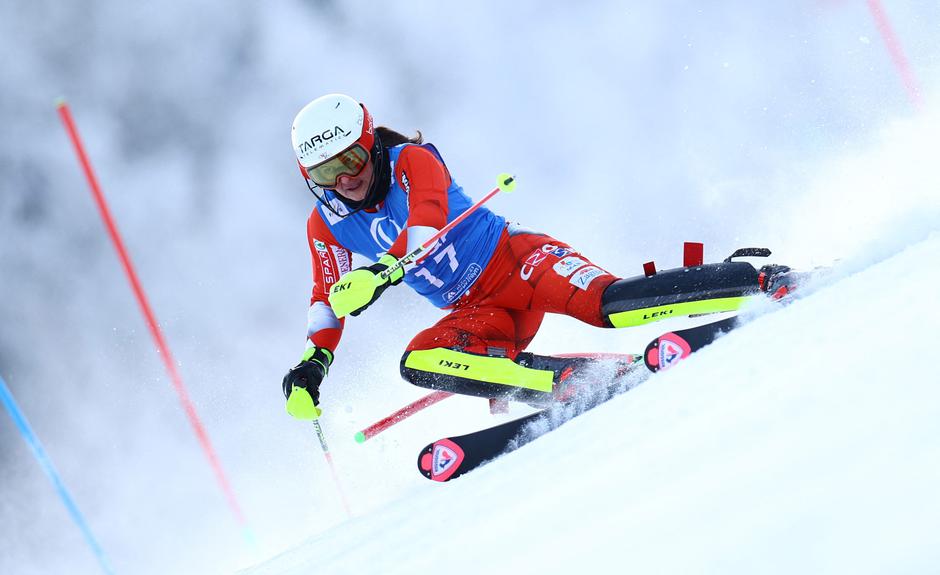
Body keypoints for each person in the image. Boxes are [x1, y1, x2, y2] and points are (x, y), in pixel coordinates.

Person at [282, 93, 791, 419]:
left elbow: (427, 223)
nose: (345, 179)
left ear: (369, 145)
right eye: (327, 174)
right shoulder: (324, 224)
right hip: (477, 311)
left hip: (519, 263)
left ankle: (755, 280)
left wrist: (378, 274)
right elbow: (324, 295)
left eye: (350, 159)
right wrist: (314, 361)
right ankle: (567, 382)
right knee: (418, 360)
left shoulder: (412, 161)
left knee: (606, 307)